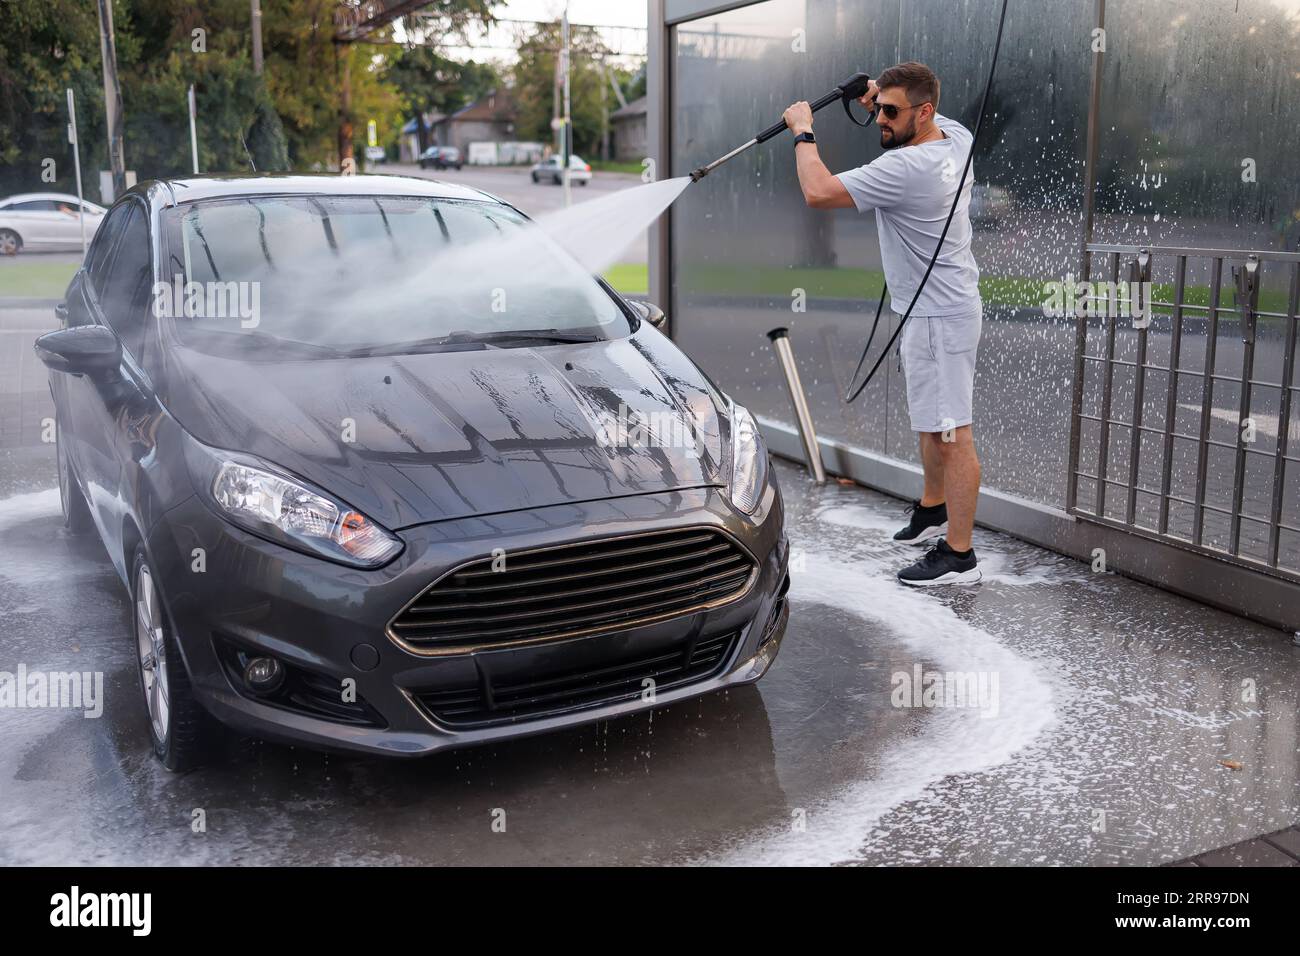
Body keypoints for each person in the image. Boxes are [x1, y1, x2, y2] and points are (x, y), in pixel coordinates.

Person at [782, 61, 983, 586]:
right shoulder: (953, 139)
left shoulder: (906, 169)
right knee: (930, 423)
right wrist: (878, 100)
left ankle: (959, 557)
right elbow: (916, 118)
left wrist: (804, 131)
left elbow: (818, 192)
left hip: (940, 317)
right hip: (933, 311)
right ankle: (932, 507)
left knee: (952, 435)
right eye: (880, 110)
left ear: (924, 112)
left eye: (891, 113)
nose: (880, 121)